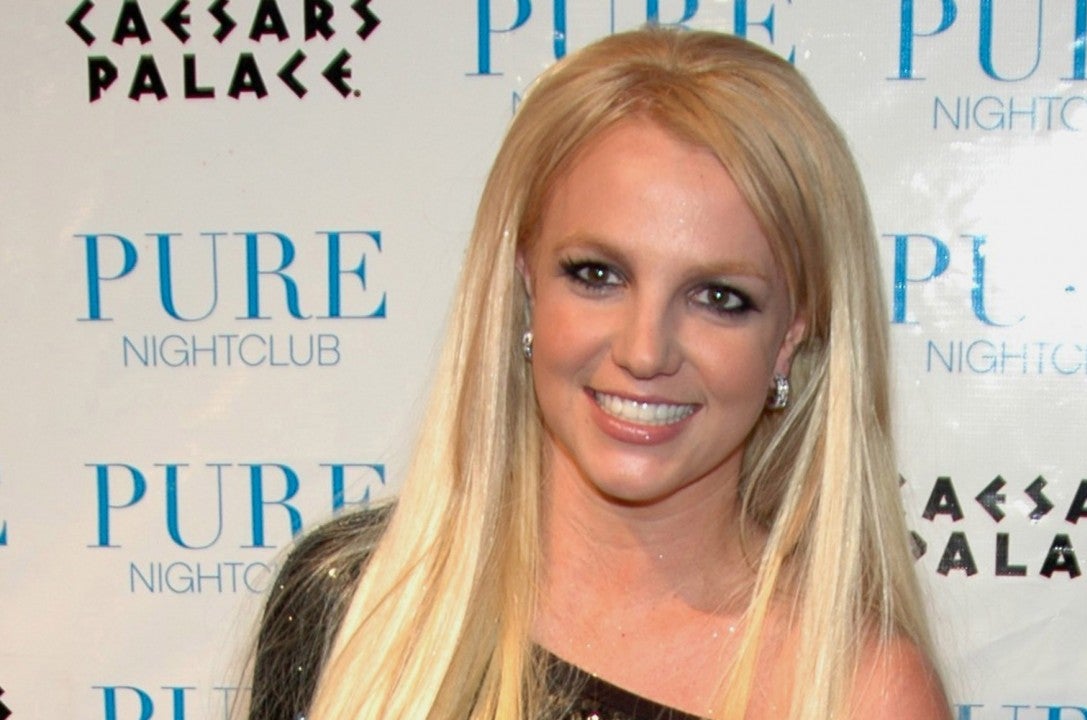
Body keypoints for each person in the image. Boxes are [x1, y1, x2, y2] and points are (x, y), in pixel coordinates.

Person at [247, 26, 948, 720]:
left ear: (791, 334)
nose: (645, 352)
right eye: (597, 275)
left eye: (718, 297)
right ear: (526, 282)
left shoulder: (861, 693)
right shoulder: (356, 599)